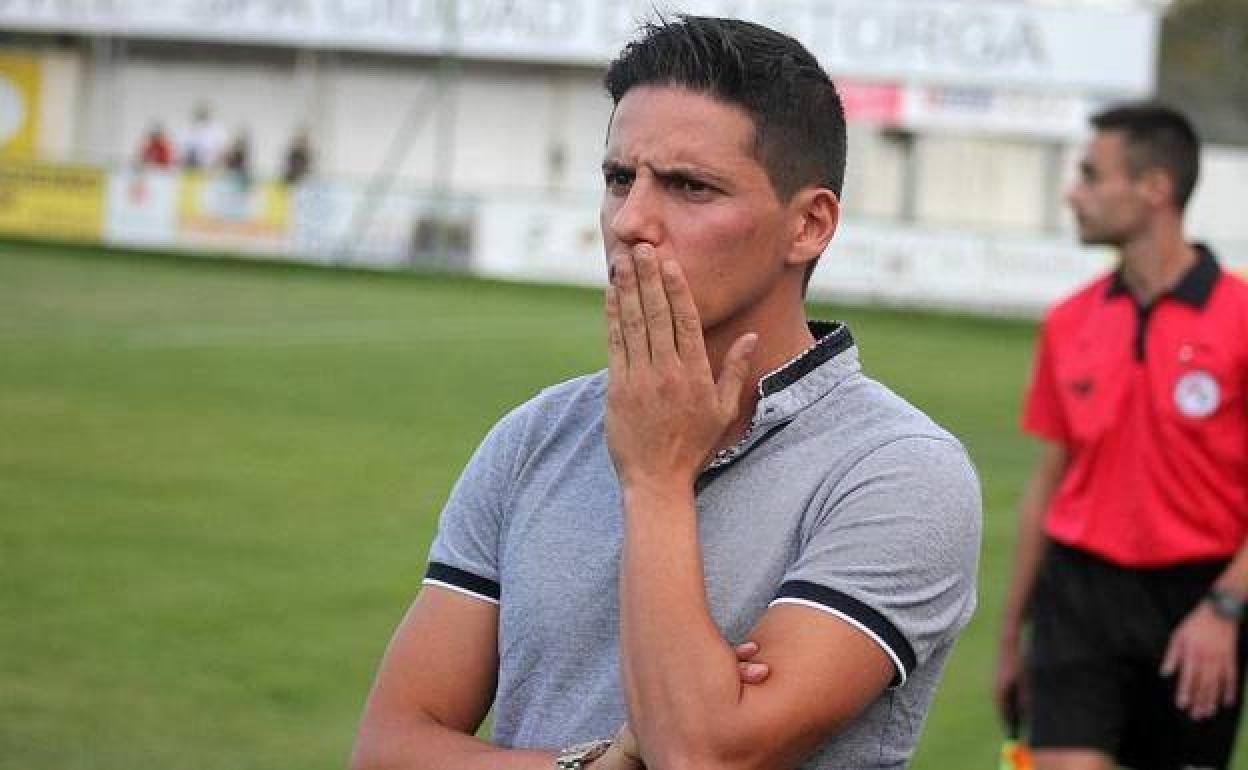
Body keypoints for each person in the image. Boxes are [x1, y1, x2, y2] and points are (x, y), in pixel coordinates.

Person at [351, 16, 981, 770]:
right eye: (620, 179)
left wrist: (654, 478)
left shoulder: (899, 471)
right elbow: (388, 748)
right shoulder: (535, 435)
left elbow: (703, 754)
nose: (632, 222)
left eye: (690, 187)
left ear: (809, 225)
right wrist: (589, 766)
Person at [994, 104, 1248, 770]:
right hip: (1078, 594)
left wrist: (1225, 608)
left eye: (1089, 175)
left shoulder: (1241, 319)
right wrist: (1009, 636)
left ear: (1154, 188)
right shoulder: (1069, 320)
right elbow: (1049, 481)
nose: (1072, 193)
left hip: (1198, 601)